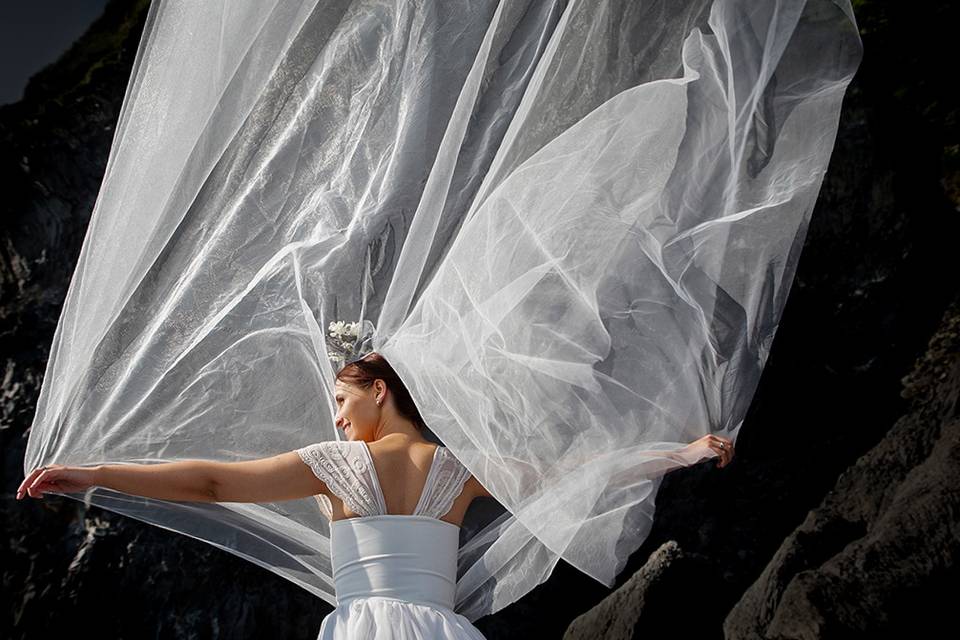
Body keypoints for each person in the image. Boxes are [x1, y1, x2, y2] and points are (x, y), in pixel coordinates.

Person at [17, 352, 734, 638]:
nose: (334, 416)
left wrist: (94, 472)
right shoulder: (459, 467)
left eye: (339, 398)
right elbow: (577, 472)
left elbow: (209, 482)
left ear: (379, 391)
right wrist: (682, 453)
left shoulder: (335, 464)